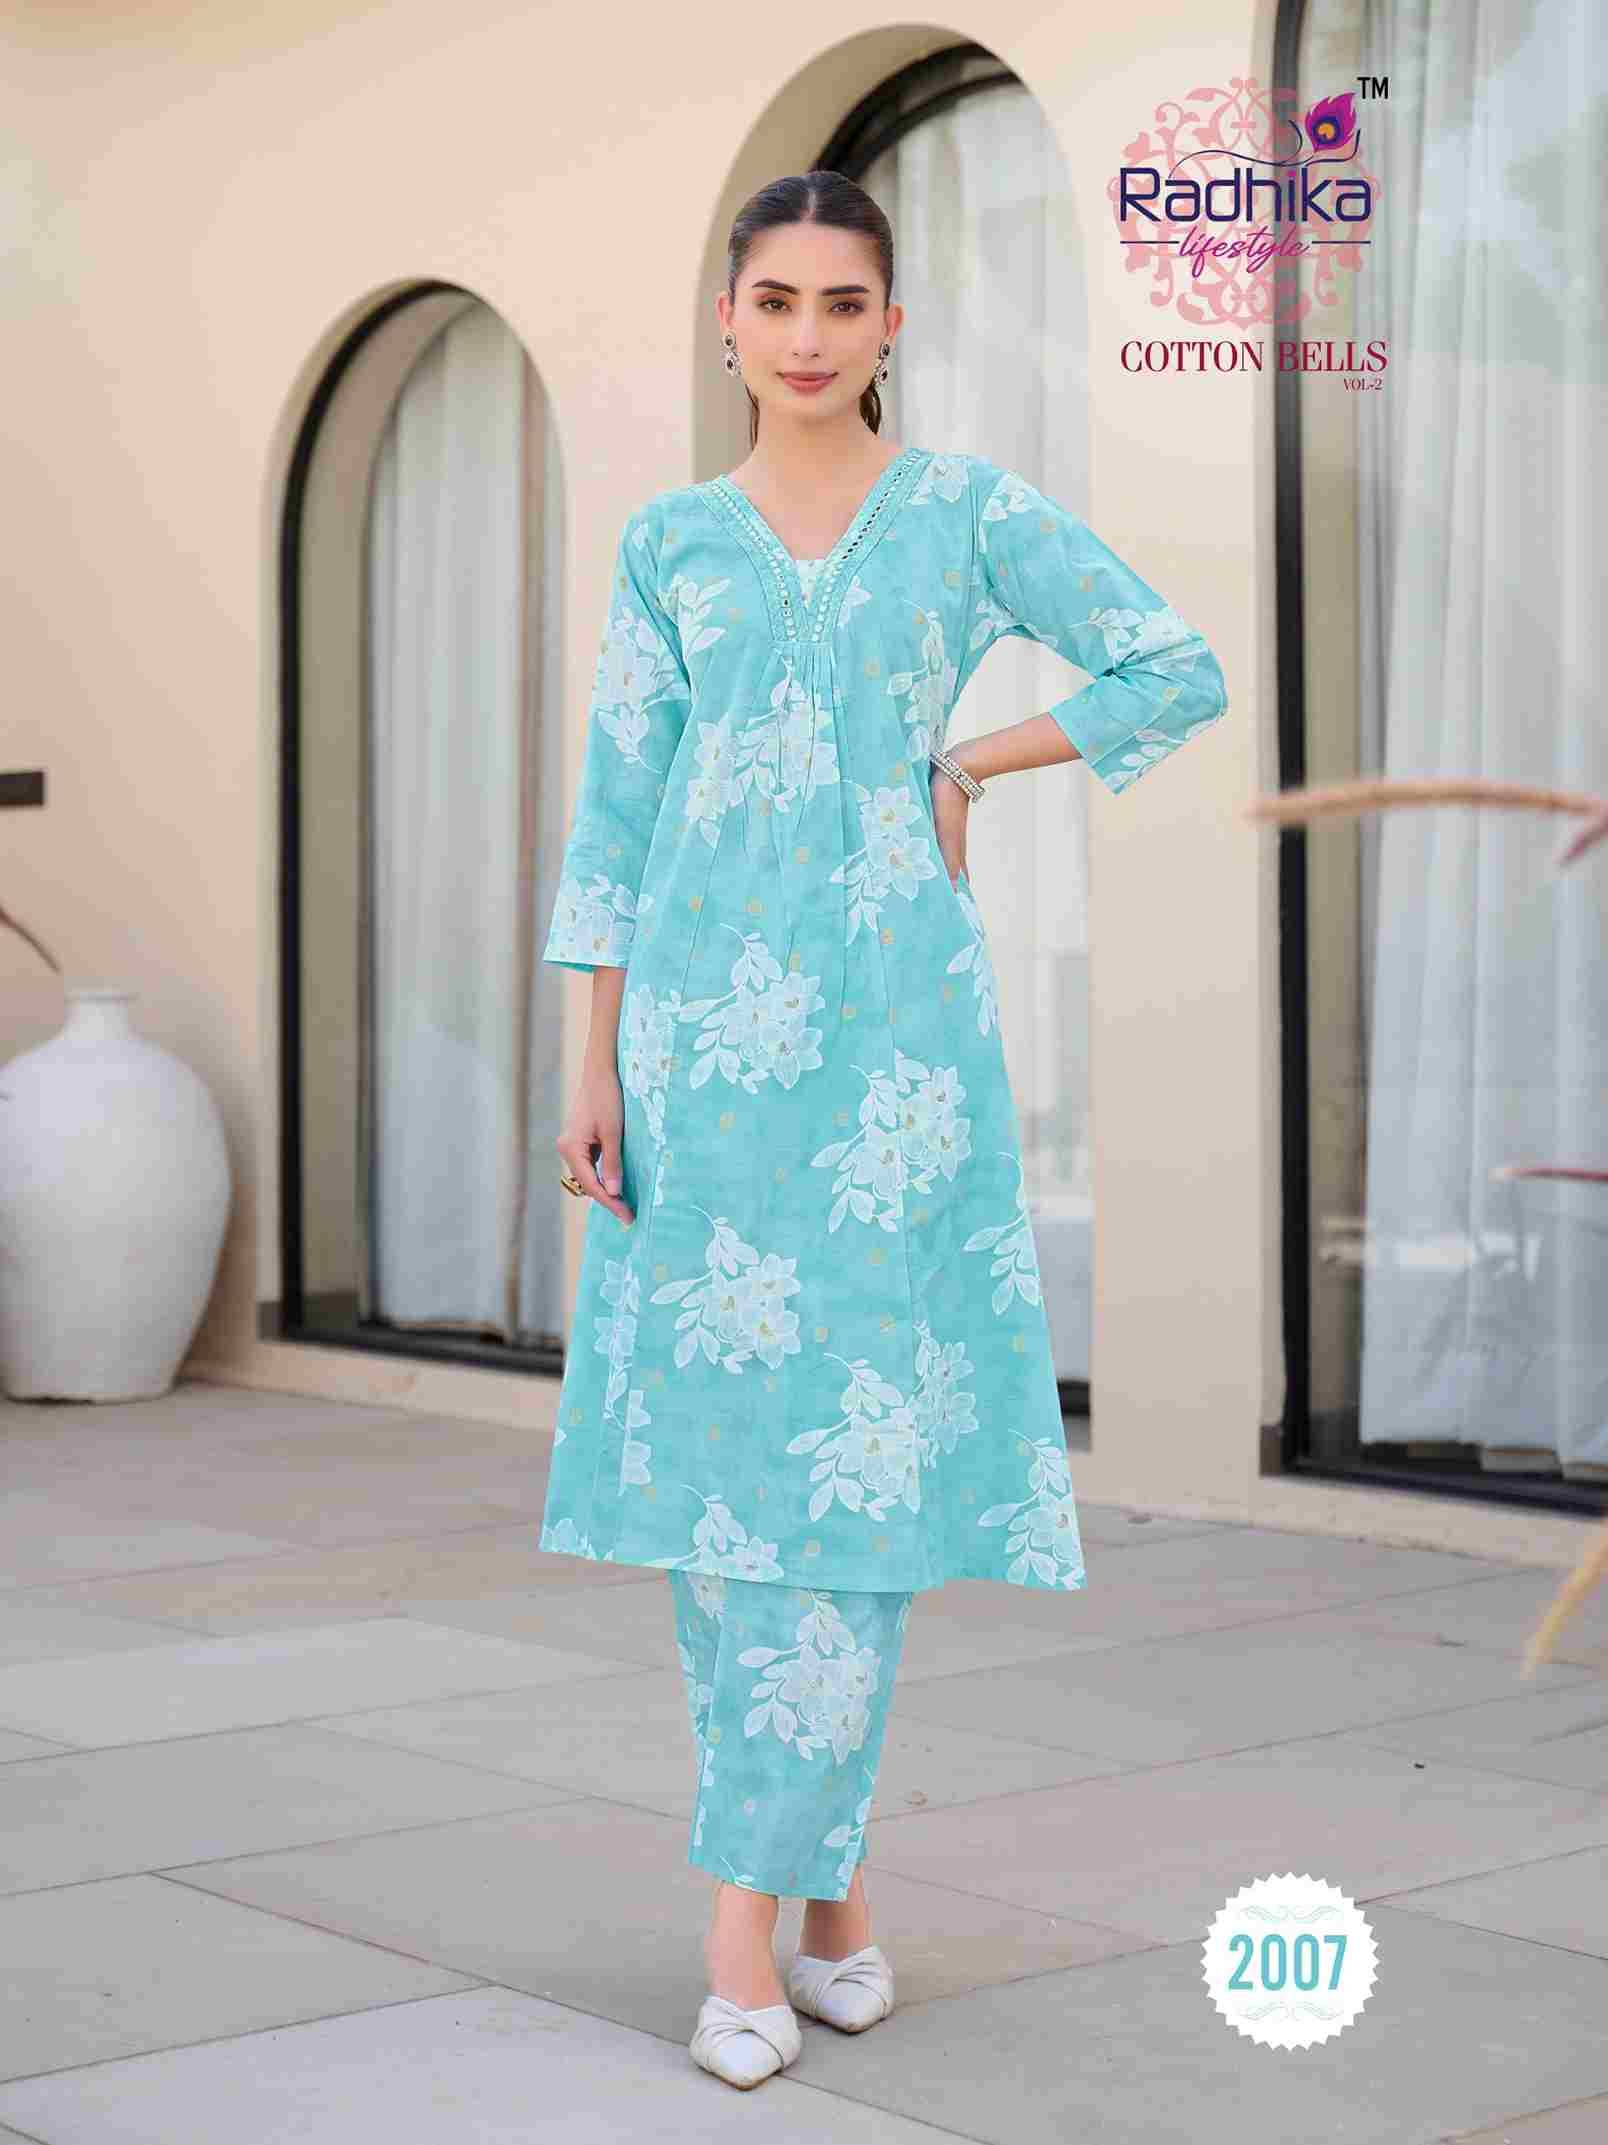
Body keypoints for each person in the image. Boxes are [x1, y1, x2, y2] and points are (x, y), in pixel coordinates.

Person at [540, 169, 1229, 2089]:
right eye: (776, 301)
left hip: (892, 1073)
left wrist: (972, 759)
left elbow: (1172, 663)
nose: (809, 336)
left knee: (848, 1473)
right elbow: (615, 811)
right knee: (724, 1489)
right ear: (729, 322)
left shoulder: (967, 517)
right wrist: (592, 1058)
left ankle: (738, 1926)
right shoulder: (671, 542)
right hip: (691, 1053)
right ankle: (827, 1899)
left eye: (845, 303)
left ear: (892, 326)